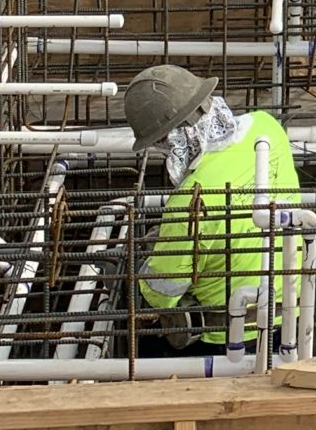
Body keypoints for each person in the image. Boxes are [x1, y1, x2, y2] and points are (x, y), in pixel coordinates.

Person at [127, 64, 303, 349]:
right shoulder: (267, 126)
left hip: (231, 338)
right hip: (297, 313)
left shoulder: (190, 201)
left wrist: (146, 264)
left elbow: (161, 293)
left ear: (169, 139)